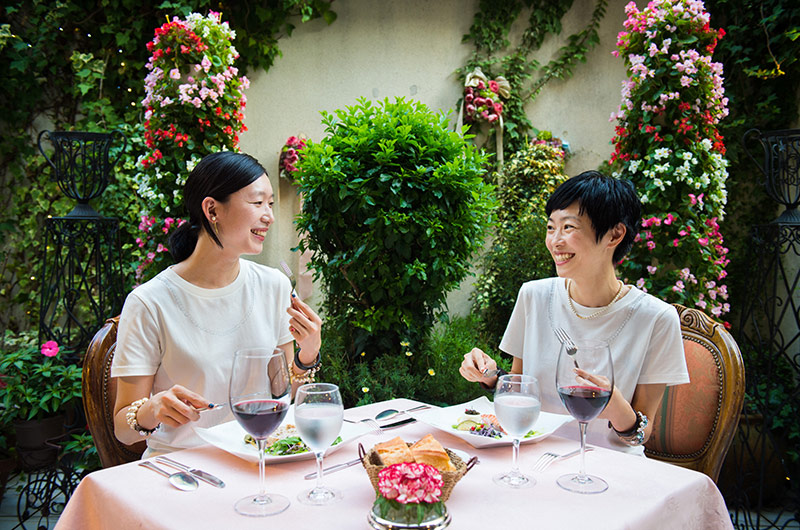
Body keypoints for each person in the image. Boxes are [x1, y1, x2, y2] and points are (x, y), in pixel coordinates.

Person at [459, 170, 689, 454]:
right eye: (550, 227)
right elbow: (520, 391)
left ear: (614, 234)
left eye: (568, 227)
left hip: (609, 467)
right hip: (535, 455)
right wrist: (492, 376)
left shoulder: (656, 319)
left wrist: (615, 405)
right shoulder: (534, 296)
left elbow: (641, 435)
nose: (555, 241)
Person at [111, 151, 322, 458]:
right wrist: (151, 410)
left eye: (271, 204)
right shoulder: (149, 302)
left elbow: (283, 396)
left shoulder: (274, 285)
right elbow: (121, 429)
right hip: (182, 471)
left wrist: (308, 353)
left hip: (258, 459)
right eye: (257, 202)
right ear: (212, 209)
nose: (269, 216)